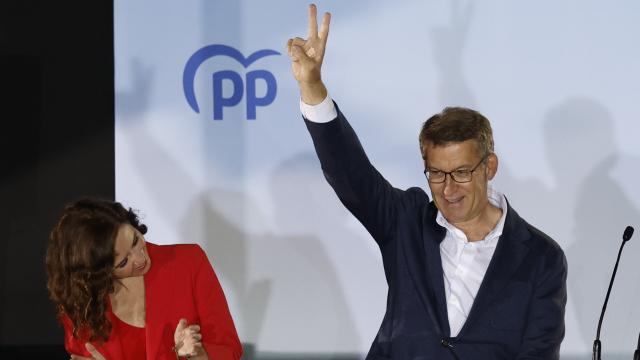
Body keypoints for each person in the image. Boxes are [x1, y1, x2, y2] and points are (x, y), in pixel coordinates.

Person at [286, 4, 567, 359]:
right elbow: (350, 173)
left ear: (489, 167)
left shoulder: (541, 258)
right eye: (436, 173)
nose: (448, 189)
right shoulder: (406, 222)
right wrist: (313, 87)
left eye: (462, 172)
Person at [46, 198, 242, 360]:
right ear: (98, 273)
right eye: (123, 262)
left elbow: (229, 348)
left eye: (135, 240)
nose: (140, 259)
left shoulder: (189, 262)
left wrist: (199, 356)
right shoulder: (82, 305)